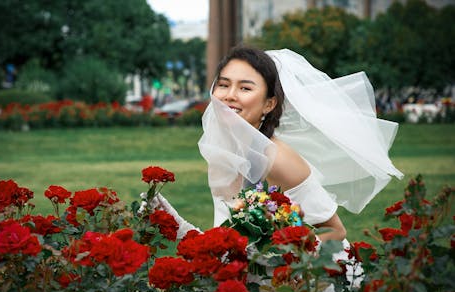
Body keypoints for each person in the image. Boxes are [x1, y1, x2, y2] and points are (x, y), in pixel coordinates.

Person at [157, 45, 403, 245]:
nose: (229, 95)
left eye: (245, 87)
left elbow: (334, 232)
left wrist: (272, 263)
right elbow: (226, 241)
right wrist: (175, 224)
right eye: (223, 84)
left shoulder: (278, 160)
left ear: (269, 104)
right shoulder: (225, 154)